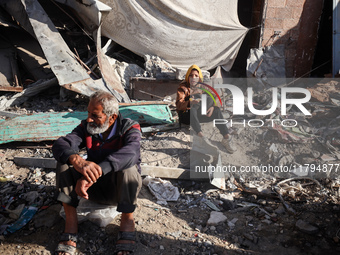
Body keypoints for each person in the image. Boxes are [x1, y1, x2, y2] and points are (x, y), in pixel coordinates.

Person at [52, 91, 142, 255]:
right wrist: (78, 161)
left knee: (129, 167)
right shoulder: (86, 127)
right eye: (88, 113)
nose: (89, 119)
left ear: (112, 117)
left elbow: (132, 152)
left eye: (95, 115)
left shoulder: (129, 127)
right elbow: (61, 144)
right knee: (64, 162)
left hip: (118, 191)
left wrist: (98, 170)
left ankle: (127, 221)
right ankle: (71, 224)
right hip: (89, 191)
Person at [176, 64, 236, 153]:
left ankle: (226, 137)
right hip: (186, 116)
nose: (193, 78)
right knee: (192, 109)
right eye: (191, 75)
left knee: (216, 109)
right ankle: (200, 136)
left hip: (197, 116)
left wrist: (213, 107)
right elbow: (179, 105)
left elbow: (216, 97)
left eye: (196, 76)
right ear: (188, 76)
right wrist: (190, 102)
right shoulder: (183, 88)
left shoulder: (202, 86)